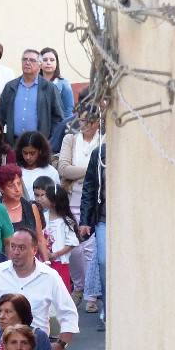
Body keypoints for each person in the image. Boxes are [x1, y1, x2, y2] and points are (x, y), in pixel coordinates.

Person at [0, 229, 78, 350]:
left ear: (34, 250)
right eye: (12, 246)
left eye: (21, 248)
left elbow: (68, 313)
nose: (15, 252)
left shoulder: (50, 276)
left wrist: (61, 345)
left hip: (37, 348)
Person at [57, 107, 101, 303]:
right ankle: (79, 286)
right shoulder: (70, 139)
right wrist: (92, 170)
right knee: (74, 247)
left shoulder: (104, 140)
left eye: (88, 120)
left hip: (94, 200)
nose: (83, 124)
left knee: (92, 249)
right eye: (80, 120)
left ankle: (91, 294)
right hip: (71, 197)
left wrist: (82, 172)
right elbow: (64, 169)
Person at [0, 49, 65, 147]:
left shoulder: (49, 88)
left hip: (39, 144)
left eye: (32, 60)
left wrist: (50, 141)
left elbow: (58, 118)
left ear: (40, 65)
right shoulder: (10, 87)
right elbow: (0, 116)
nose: (27, 62)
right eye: (25, 59)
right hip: (13, 143)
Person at [34, 180, 79, 292]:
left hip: (59, 263)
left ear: (54, 201)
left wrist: (55, 254)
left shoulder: (66, 221)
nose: (42, 198)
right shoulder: (42, 217)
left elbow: (72, 243)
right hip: (43, 261)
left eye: (45, 196)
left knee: (60, 291)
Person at [78, 144, 106, 325]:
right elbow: (89, 187)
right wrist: (85, 220)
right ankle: (108, 305)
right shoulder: (100, 152)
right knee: (103, 261)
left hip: (129, 218)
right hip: (104, 218)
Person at [39, 47, 75, 151]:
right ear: (39, 63)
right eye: (45, 60)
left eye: (52, 60)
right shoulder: (34, 83)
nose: (48, 63)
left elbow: (69, 110)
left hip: (57, 129)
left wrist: (65, 130)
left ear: (56, 63)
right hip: (38, 129)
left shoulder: (63, 83)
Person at [14, 132, 59, 197]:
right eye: (25, 153)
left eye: (32, 153)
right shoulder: (15, 170)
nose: (28, 157)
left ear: (40, 151)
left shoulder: (51, 172)